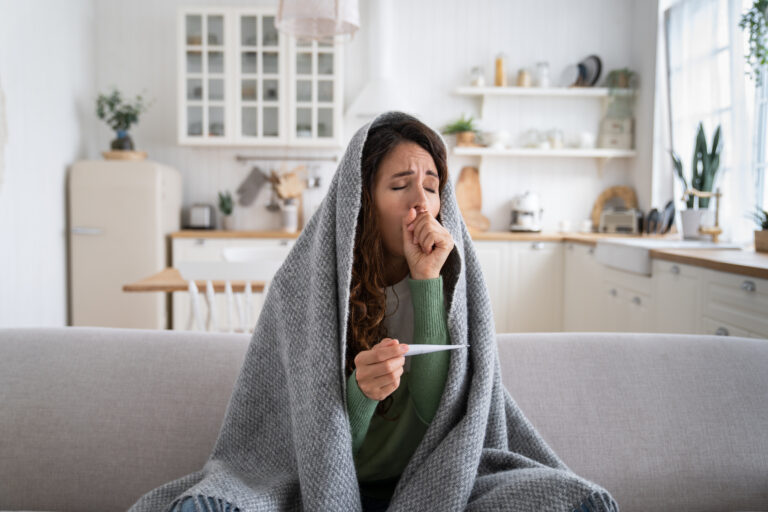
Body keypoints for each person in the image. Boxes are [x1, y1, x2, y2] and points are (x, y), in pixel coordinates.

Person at [129, 111, 619, 512]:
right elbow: (317, 446)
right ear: (360, 203)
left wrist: (427, 280)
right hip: (311, 482)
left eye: (431, 186)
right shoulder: (306, 287)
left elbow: (439, 416)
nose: (421, 202)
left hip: (440, 479)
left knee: (573, 501)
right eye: (400, 185)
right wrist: (360, 394)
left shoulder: (452, 281)